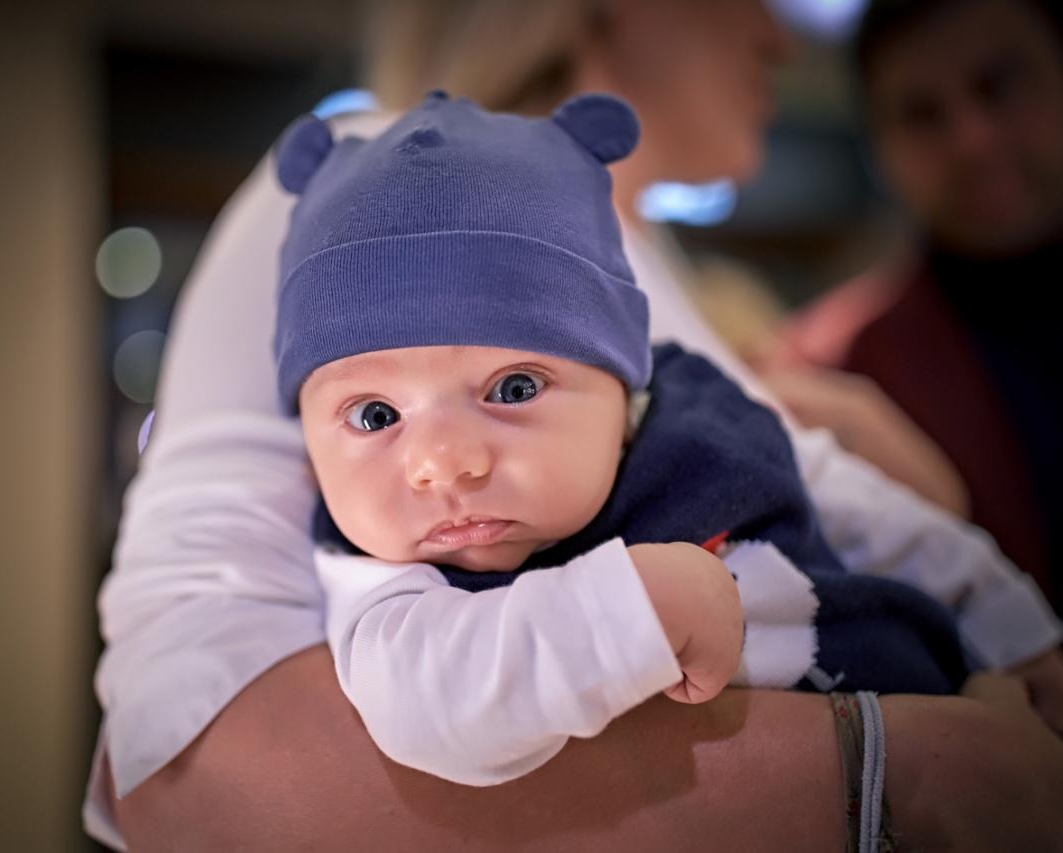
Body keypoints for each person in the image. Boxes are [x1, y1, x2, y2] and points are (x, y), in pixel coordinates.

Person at [85, 1, 1063, 850]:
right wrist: (902, 772)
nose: (779, 32)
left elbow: (818, 490)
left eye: (515, 386)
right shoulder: (375, 196)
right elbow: (184, 763)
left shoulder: (648, 269)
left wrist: (1002, 617)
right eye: (377, 415)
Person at [274, 90, 1044, 794]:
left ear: (622, 385)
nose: (444, 463)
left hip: (950, 698)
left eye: (513, 389)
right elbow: (425, 706)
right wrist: (629, 613)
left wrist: (1022, 638)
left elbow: (880, 519)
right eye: (374, 415)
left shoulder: (705, 415)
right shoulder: (382, 579)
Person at [774, 0, 1063, 609]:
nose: (971, 139)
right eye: (920, 114)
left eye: (999, 86)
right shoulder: (824, 373)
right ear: (878, 147)